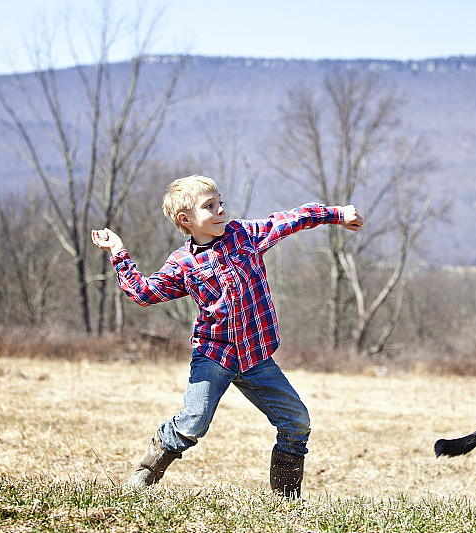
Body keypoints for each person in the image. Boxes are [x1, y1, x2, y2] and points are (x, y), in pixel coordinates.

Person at [92, 174, 363, 498]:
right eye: (209, 206)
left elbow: (291, 219)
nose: (221, 210)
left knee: (296, 421)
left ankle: (285, 501)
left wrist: (337, 214)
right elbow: (143, 293)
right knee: (193, 423)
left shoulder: (244, 235)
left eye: (220, 202)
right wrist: (118, 250)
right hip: (213, 356)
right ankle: (146, 474)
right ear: (186, 220)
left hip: (255, 358)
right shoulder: (184, 264)